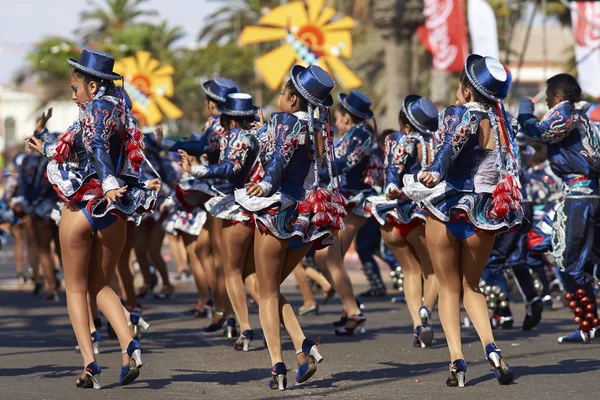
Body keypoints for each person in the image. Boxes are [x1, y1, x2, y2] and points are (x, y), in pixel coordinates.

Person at [26, 49, 155, 389]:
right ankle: (130, 345)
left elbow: (90, 146)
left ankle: (90, 365)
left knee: (76, 288)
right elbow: (127, 154)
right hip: (114, 211)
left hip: (83, 204)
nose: (73, 94)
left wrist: (107, 180)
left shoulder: (91, 113)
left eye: (75, 87)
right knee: (102, 285)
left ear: (93, 86)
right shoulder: (124, 113)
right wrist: (44, 145)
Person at [403, 54, 522, 386]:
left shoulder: (458, 114)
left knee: (449, 288)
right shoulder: (506, 123)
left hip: (447, 208)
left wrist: (434, 172)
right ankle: (492, 349)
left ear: (468, 90)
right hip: (484, 214)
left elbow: (448, 149)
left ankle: (457, 361)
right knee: (473, 287)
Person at [235, 65, 338, 390]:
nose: (279, 99)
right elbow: (322, 173)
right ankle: (303, 345)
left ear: (293, 99)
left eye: (282, 94)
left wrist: (265, 185)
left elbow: (278, 158)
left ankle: (277, 366)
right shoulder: (319, 128)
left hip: (278, 212)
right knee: (268, 287)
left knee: (262, 291)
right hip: (306, 220)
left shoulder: (285, 121)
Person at [518, 73, 600, 343]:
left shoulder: (566, 113)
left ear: (556, 97)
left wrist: (524, 110)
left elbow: (538, 132)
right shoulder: (586, 120)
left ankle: (589, 326)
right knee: (584, 257)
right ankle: (590, 325)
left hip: (578, 199)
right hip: (589, 197)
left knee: (568, 262)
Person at [180, 92, 261, 351]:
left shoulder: (235, 136)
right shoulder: (263, 134)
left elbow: (228, 169)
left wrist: (196, 169)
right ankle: (284, 326)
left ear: (231, 120)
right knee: (253, 274)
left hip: (237, 208)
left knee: (231, 271)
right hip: (262, 209)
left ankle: (242, 326)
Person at [366, 94, 439, 348]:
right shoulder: (437, 142)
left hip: (391, 214)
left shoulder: (398, 139)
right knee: (434, 270)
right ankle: (426, 312)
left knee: (410, 270)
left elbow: (392, 171)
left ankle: (417, 326)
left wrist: (391, 187)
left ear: (405, 123)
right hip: (420, 214)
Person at [170, 78, 239, 335]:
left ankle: (229, 313)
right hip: (221, 193)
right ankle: (222, 309)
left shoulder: (218, 121)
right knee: (203, 250)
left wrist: (171, 144)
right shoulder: (230, 121)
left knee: (221, 260)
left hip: (224, 195)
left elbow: (204, 147)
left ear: (212, 103)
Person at [312, 89, 381, 335]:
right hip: (345, 203)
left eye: (338, 117)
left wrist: (310, 166)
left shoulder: (360, 136)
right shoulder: (352, 134)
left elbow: (340, 164)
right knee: (322, 258)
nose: (336, 121)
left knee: (331, 259)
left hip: (355, 204)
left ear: (348, 117)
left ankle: (353, 311)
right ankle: (349, 304)